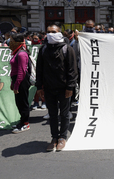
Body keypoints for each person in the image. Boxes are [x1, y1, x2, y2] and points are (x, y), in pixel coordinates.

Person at [35, 24, 78, 152]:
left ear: (59, 33)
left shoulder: (67, 49)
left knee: (64, 114)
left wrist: (70, 87)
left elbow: (72, 70)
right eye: (48, 32)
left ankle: (62, 138)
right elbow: (39, 70)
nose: (51, 34)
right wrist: (39, 86)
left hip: (64, 88)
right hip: (48, 88)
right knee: (52, 114)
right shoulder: (43, 49)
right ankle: (54, 138)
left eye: (53, 31)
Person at [9, 33, 31, 133]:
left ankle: (25, 123)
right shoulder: (17, 52)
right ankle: (21, 122)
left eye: (11, 41)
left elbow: (21, 72)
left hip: (21, 81)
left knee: (23, 103)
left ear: (17, 42)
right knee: (19, 102)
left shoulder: (22, 54)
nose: (10, 43)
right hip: (17, 80)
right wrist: (13, 83)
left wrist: (17, 85)